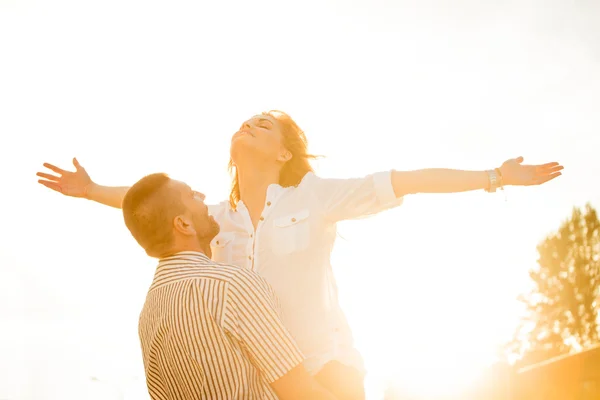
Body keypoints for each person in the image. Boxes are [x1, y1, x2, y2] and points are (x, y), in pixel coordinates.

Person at [37, 110, 563, 399]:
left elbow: (411, 180)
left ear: (283, 153)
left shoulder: (316, 196)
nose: (250, 123)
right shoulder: (215, 217)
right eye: (246, 120)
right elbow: (158, 209)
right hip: (263, 384)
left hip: (325, 372)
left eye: (265, 125)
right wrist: (93, 191)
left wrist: (494, 177)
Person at [120, 172, 336, 400]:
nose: (202, 197)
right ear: (183, 224)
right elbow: (301, 393)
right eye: (192, 195)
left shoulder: (148, 314)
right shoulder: (231, 286)